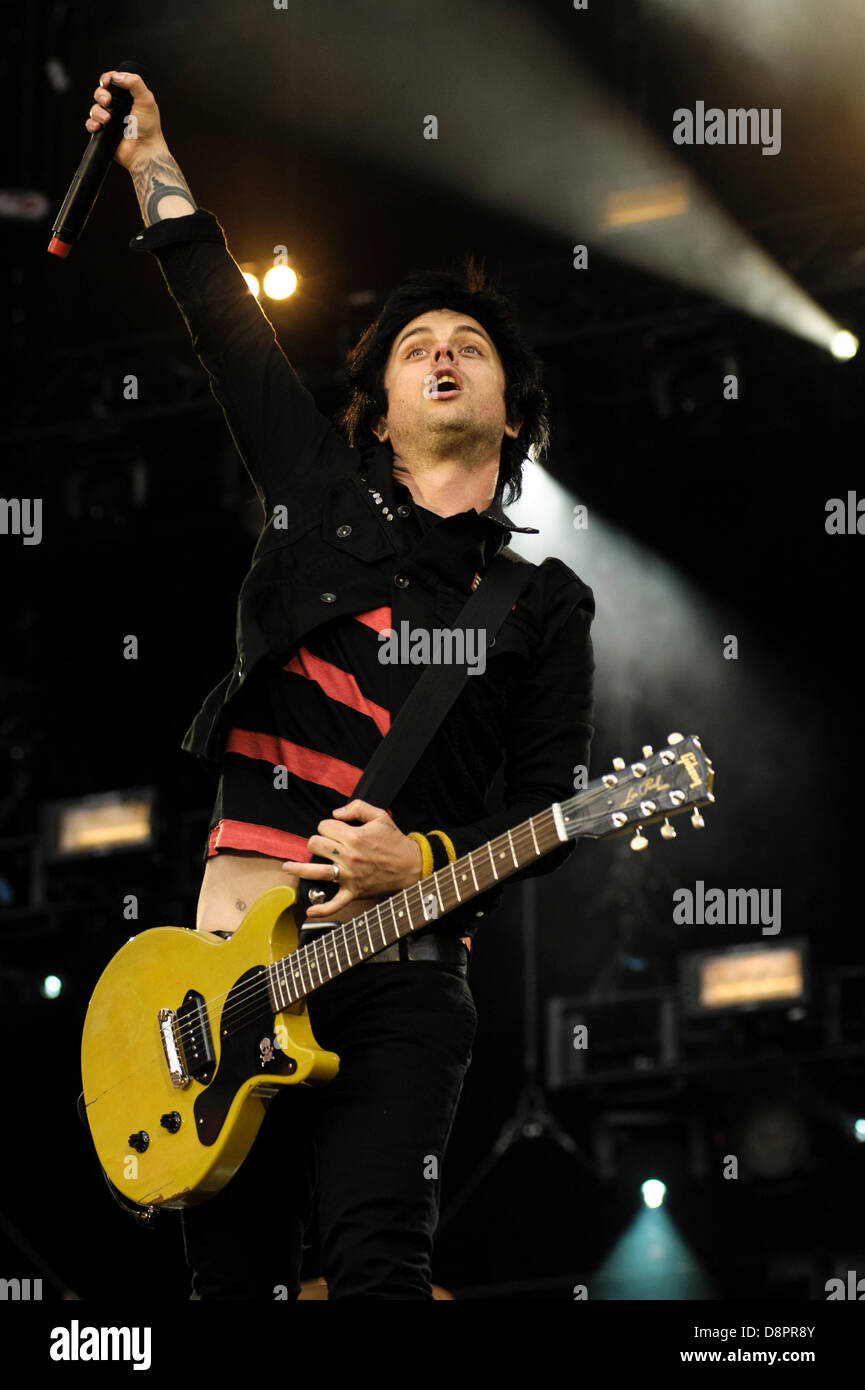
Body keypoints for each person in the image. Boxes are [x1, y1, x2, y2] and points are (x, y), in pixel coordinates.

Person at [85, 70, 596, 1300]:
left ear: (510, 414)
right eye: (417, 344)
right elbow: (219, 312)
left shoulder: (540, 602)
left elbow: (553, 804)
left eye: (469, 348)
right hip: (226, 971)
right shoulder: (319, 492)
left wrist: (420, 861)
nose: (443, 355)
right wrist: (152, 156)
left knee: (376, 1263)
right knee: (235, 1281)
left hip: (408, 980)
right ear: (373, 409)